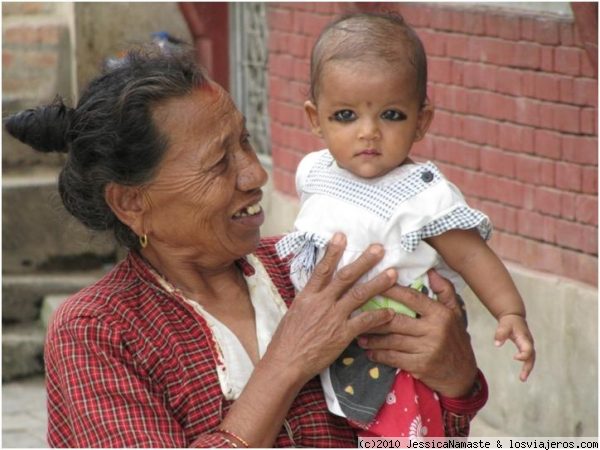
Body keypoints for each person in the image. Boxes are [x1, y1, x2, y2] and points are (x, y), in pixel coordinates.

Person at [5, 44, 488, 447]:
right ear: (132, 202)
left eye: (246, 141)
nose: (255, 174)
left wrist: (454, 379)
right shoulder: (99, 332)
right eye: (219, 162)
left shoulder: (310, 270)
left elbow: (419, 430)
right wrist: (288, 361)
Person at [276, 12, 535, 438]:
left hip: (396, 346)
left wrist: (510, 311)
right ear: (314, 118)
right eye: (345, 115)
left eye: (391, 115)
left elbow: (471, 255)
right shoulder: (313, 171)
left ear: (422, 121)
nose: (368, 133)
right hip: (322, 336)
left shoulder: (423, 195)